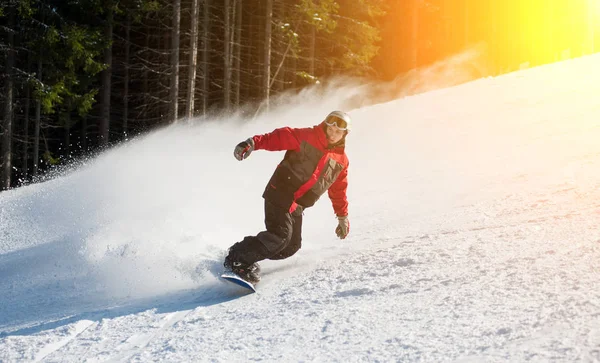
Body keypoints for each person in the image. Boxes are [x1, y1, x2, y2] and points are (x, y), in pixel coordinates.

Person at [224, 110, 352, 283]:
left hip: (297, 205)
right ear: (325, 125)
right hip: (281, 191)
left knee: (291, 246)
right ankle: (237, 259)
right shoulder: (307, 136)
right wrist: (252, 143)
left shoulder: (341, 161)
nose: (332, 134)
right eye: (330, 128)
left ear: (345, 134)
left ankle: (245, 254)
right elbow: (278, 137)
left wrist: (342, 216)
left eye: (338, 132)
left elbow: (338, 190)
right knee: (280, 236)